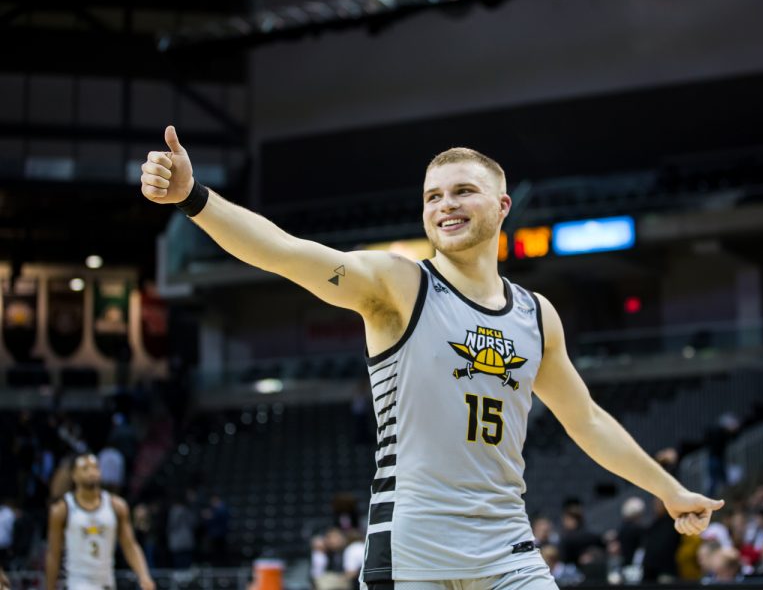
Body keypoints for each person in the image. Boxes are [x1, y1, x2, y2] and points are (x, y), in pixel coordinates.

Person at [140, 127, 725, 589]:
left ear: (501, 206)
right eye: (433, 196)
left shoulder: (535, 314)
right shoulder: (399, 284)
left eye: (462, 191)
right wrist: (195, 199)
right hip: (415, 544)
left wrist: (668, 490)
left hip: (506, 545)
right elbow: (287, 254)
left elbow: (587, 420)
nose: (446, 205)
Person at [45, 453, 154, 590]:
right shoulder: (62, 510)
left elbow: (130, 546)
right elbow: (53, 554)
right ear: (74, 475)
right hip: (75, 584)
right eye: (85, 468)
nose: (92, 472)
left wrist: (144, 576)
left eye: (95, 467)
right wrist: (50, 587)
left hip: (106, 584)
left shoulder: (116, 506)